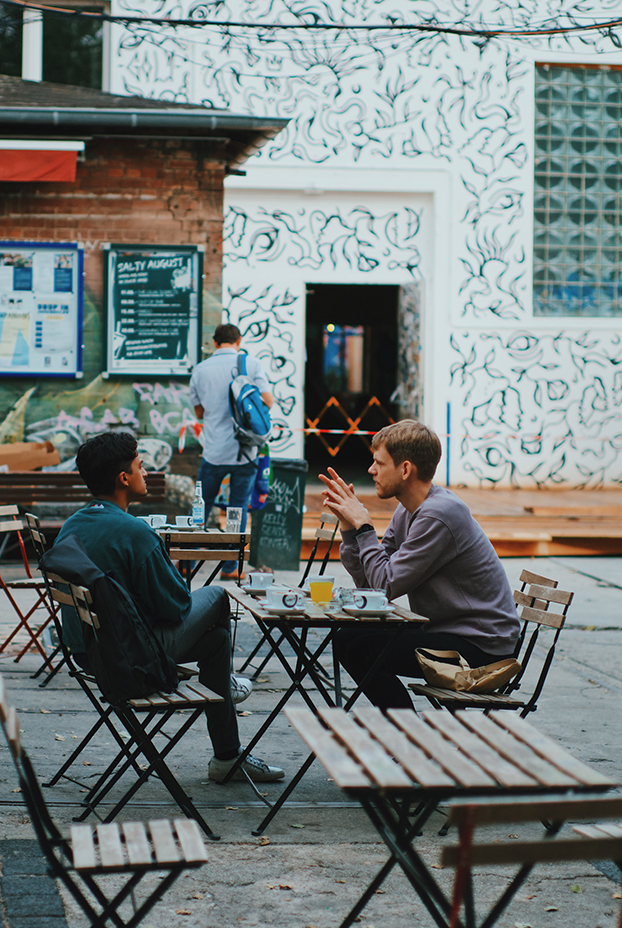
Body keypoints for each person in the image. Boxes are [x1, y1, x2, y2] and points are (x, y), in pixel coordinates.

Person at [56, 431, 285, 784]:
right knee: (219, 596)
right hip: (128, 661)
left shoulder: (72, 525)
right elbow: (176, 608)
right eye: (140, 466)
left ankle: (227, 756)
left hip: (86, 652)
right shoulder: (135, 533)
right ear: (123, 478)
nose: (145, 473)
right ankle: (228, 689)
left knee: (217, 640)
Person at [319, 419, 520, 710]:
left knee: (364, 650)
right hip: (448, 634)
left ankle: (407, 737)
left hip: (481, 649)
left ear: (405, 469)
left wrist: (364, 527)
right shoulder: (408, 510)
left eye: (379, 463)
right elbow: (371, 585)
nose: (370, 470)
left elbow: (384, 586)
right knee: (347, 639)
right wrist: (350, 528)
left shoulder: (440, 514)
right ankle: (406, 734)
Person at [189, 323, 274, 579]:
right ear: (239, 340)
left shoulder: (200, 370)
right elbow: (268, 402)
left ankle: (188, 562)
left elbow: (200, 412)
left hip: (213, 451)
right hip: (244, 451)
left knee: (201, 507)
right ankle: (230, 567)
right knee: (238, 508)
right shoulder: (252, 364)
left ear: (215, 343)